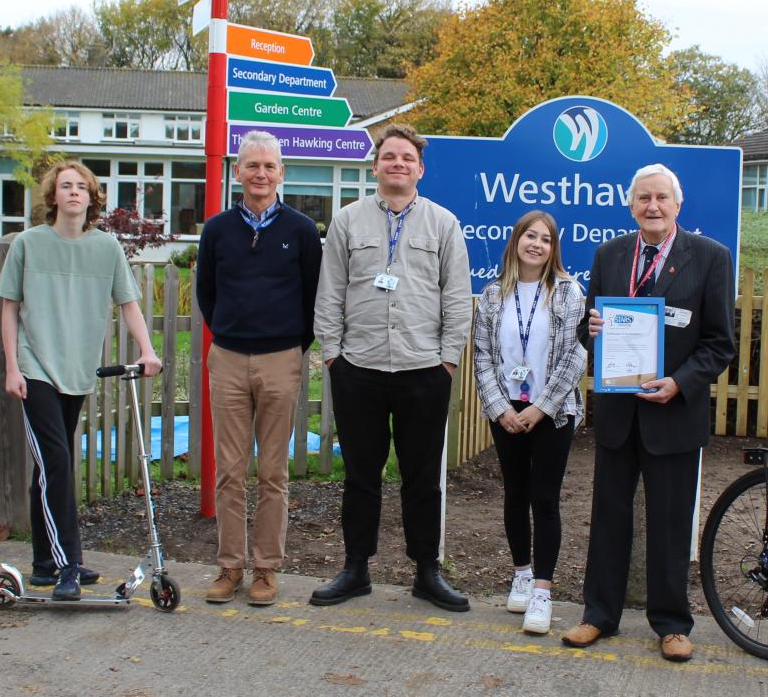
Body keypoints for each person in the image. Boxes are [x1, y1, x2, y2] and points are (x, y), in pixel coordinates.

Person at [563, 164, 735, 662]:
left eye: (661, 197)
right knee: (608, 517)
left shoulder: (710, 258)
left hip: (675, 414)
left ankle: (672, 624)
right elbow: (588, 330)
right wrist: (590, 329)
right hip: (619, 415)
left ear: (678, 206)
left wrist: (679, 383)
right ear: (631, 205)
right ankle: (598, 615)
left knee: (670, 522)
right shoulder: (610, 254)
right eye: (643, 198)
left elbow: (720, 344)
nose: (652, 206)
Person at [310, 124, 473, 611]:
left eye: (407, 158)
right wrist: (334, 356)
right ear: (376, 165)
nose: (397, 164)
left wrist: (448, 360)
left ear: (419, 169)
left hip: (424, 369)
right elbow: (329, 291)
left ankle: (426, 571)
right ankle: (356, 567)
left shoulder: (443, 224)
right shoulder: (346, 222)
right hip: (358, 367)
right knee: (361, 474)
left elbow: (458, 298)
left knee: (422, 477)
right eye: (389, 156)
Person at [0, 161, 162, 601]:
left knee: (50, 467)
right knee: (57, 464)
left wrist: (146, 350)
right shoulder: (28, 244)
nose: (73, 192)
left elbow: (129, 304)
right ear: (53, 196)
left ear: (91, 198)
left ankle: (43, 564)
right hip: (35, 369)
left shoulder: (106, 248)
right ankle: (68, 563)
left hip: (77, 370)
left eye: (81, 187)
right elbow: (9, 308)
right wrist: (13, 367)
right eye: (65, 186)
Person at [195, 131, 322, 606]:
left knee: (272, 472)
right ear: (238, 172)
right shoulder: (217, 230)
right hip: (227, 358)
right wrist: (231, 331)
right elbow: (208, 293)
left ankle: (266, 567)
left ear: (281, 173)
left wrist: (291, 347)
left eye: (269, 166)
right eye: (252, 166)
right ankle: (230, 566)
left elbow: (314, 297)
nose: (261, 174)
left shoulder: (302, 231)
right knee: (229, 470)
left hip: (281, 360)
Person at [472, 210, 587, 635]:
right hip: (505, 411)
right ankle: (521, 572)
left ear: (554, 248)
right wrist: (500, 406)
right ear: (516, 240)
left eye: (545, 239)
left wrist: (540, 406)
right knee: (515, 494)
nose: (536, 244)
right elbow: (483, 356)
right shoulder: (491, 296)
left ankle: (542, 590)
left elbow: (577, 354)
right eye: (529, 236)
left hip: (551, 413)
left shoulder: (568, 292)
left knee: (545, 498)